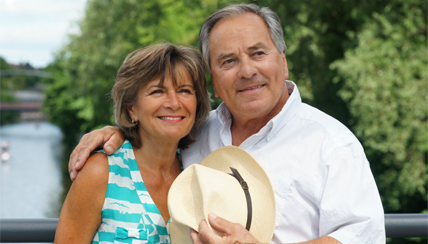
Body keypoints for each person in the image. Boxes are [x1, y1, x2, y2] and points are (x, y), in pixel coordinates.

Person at [68, 4, 385, 244]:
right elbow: (154, 133)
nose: (247, 71)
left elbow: (363, 237)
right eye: (228, 61)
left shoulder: (331, 143)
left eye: (258, 53)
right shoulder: (196, 133)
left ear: (283, 61)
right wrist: (119, 131)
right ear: (213, 82)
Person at [55, 43, 210, 243]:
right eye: (157, 91)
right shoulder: (101, 172)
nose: (174, 103)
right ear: (131, 108)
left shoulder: (197, 173)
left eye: (185, 91)